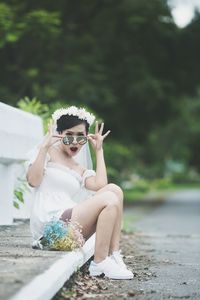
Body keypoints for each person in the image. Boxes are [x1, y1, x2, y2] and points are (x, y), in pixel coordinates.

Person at [26, 106, 133, 280]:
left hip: (70, 224)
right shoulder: (47, 153)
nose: (75, 142)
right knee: (109, 198)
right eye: (69, 135)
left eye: (80, 137)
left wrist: (99, 151)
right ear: (58, 133)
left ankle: (114, 254)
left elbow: (100, 184)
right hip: (50, 226)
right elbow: (33, 180)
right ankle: (100, 262)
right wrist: (44, 147)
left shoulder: (78, 168)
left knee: (115, 190)